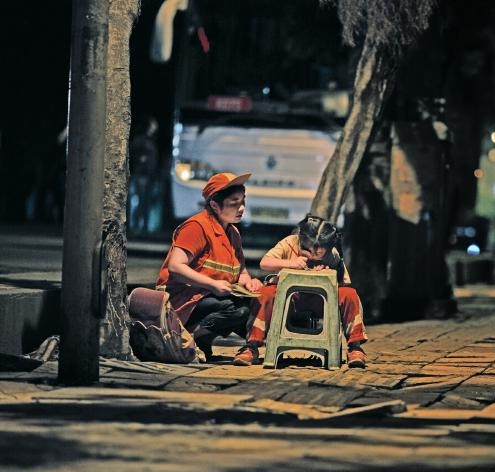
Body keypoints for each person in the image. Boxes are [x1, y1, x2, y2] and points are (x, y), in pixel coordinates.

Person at [155, 172, 266, 364]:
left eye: (243, 201)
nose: (241, 208)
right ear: (215, 205)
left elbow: (240, 271)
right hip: (182, 302)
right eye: (234, 203)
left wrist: (249, 282)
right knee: (237, 311)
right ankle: (193, 338)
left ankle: (213, 343)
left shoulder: (233, 233)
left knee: (257, 305)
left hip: (210, 298)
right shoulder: (197, 227)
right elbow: (175, 266)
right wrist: (213, 284)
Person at [237, 214, 368, 368]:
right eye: (308, 250)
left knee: (350, 295)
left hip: (319, 301)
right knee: (265, 294)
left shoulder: (332, 255)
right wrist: (291, 263)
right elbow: (265, 263)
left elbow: (343, 282)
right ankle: (251, 346)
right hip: (288, 299)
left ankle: (355, 347)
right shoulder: (289, 243)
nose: (312, 255)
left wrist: (326, 275)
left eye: (318, 252)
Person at [129, 116, 160, 234]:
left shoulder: (151, 140)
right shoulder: (142, 140)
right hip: (142, 174)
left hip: (149, 175)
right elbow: (134, 152)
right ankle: (137, 225)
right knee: (142, 200)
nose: (155, 127)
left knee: (146, 201)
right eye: (153, 124)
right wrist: (141, 159)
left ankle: (143, 226)